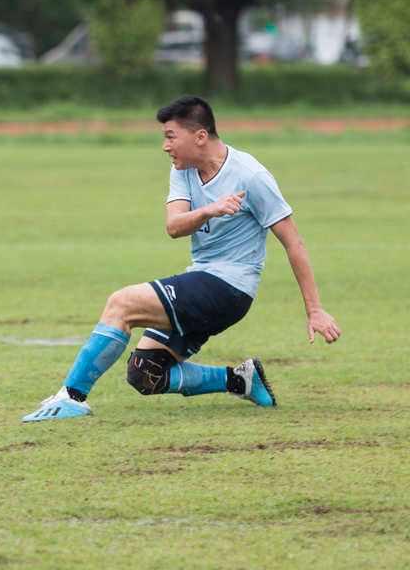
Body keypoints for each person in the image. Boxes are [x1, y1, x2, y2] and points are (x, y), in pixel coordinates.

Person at [22, 95, 341, 422]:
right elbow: (174, 226)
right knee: (145, 373)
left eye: (171, 136)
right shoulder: (184, 169)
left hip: (229, 288)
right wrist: (211, 209)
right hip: (203, 278)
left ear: (200, 136)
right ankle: (240, 379)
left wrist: (314, 309)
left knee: (122, 303)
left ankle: (71, 397)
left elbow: (294, 243)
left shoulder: (251, 176)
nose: (165, 146)